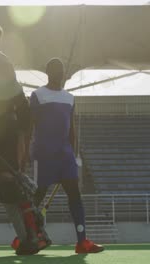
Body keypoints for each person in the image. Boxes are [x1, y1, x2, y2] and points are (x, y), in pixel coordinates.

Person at [0, 21, 48, 255]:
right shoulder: (3, 60)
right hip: (5, 127)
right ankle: (28, 236)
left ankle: (29, 237)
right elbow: (16, 98)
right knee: (4, 187)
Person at [30, 58, 104, 254]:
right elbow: (30, 126)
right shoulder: (37, 95)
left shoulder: (70, 98)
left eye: (62, 71)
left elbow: (71, 129)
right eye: (56, 70)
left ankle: (82, 241)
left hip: (65, 155)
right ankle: (26, 237)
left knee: (75, 196)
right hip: (44, 154)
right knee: (37, 196)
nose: (60, 74)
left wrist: (76, 154)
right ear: (48, 72)